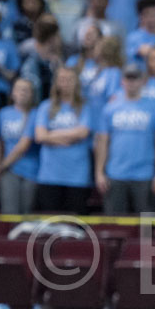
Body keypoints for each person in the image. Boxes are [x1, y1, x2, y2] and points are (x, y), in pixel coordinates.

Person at [95, 64, 155, 215]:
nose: (131, 82)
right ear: (122, 81)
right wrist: (100, 172)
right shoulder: (110, 108)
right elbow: (102, 142)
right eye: (128, 78)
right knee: (115, 225)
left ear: (143, 81)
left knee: (146, 227)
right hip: (115, 173)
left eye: (135, 78)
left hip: (145, 174)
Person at [34, 67, 94, 214]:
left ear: (76, 82)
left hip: (77, 175)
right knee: (51, 225)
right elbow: (40, 136)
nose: (66, 83)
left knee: (75, 225)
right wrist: (69, 137)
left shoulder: (85, 106)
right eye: (62, 79)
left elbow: (83, 132)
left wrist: (51, 135)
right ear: (56, 82)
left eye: (69, 79)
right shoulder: (45, 107)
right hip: (49, 175)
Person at [0, 78, 40, 214]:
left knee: (27, 213)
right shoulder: (3, 113)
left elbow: (24, 144)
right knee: (9, 213)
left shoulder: (36, 114)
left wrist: (2, 166)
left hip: (31, 170)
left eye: (26, 90)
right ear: (12, 92)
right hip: (9, 171)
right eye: (19, 89)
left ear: (32, 94)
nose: (22, 93)